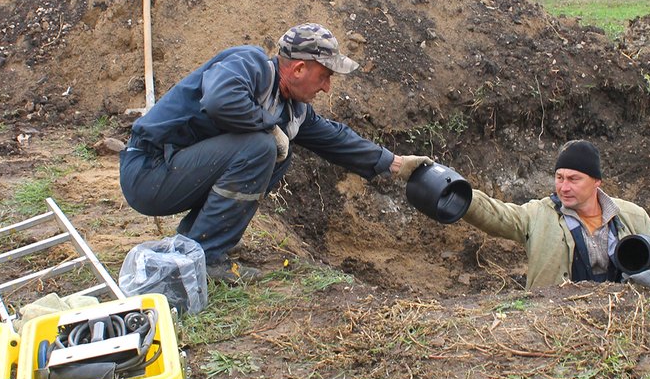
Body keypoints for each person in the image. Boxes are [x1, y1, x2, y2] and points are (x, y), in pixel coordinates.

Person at [120, 23, 433, 283]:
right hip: (149, 169)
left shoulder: (292, 109)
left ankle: (192, 246)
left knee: (278, 157)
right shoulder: (250, 65)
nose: (327, 87)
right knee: (261, 147)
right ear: (298, 68)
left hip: (175, 172)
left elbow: (336, 139)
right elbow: (219, 100)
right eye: (324, 76)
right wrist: (268, 128)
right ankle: (206, 257)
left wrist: (395, 164)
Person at [461, 140, 650, 289]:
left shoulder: (630, 215)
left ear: (596, 181)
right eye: (559, 178)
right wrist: (455, 191)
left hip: (618, 324)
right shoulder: (538, 214)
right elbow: (495, 214)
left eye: (573, 179)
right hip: (554, 327)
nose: (564, 187)